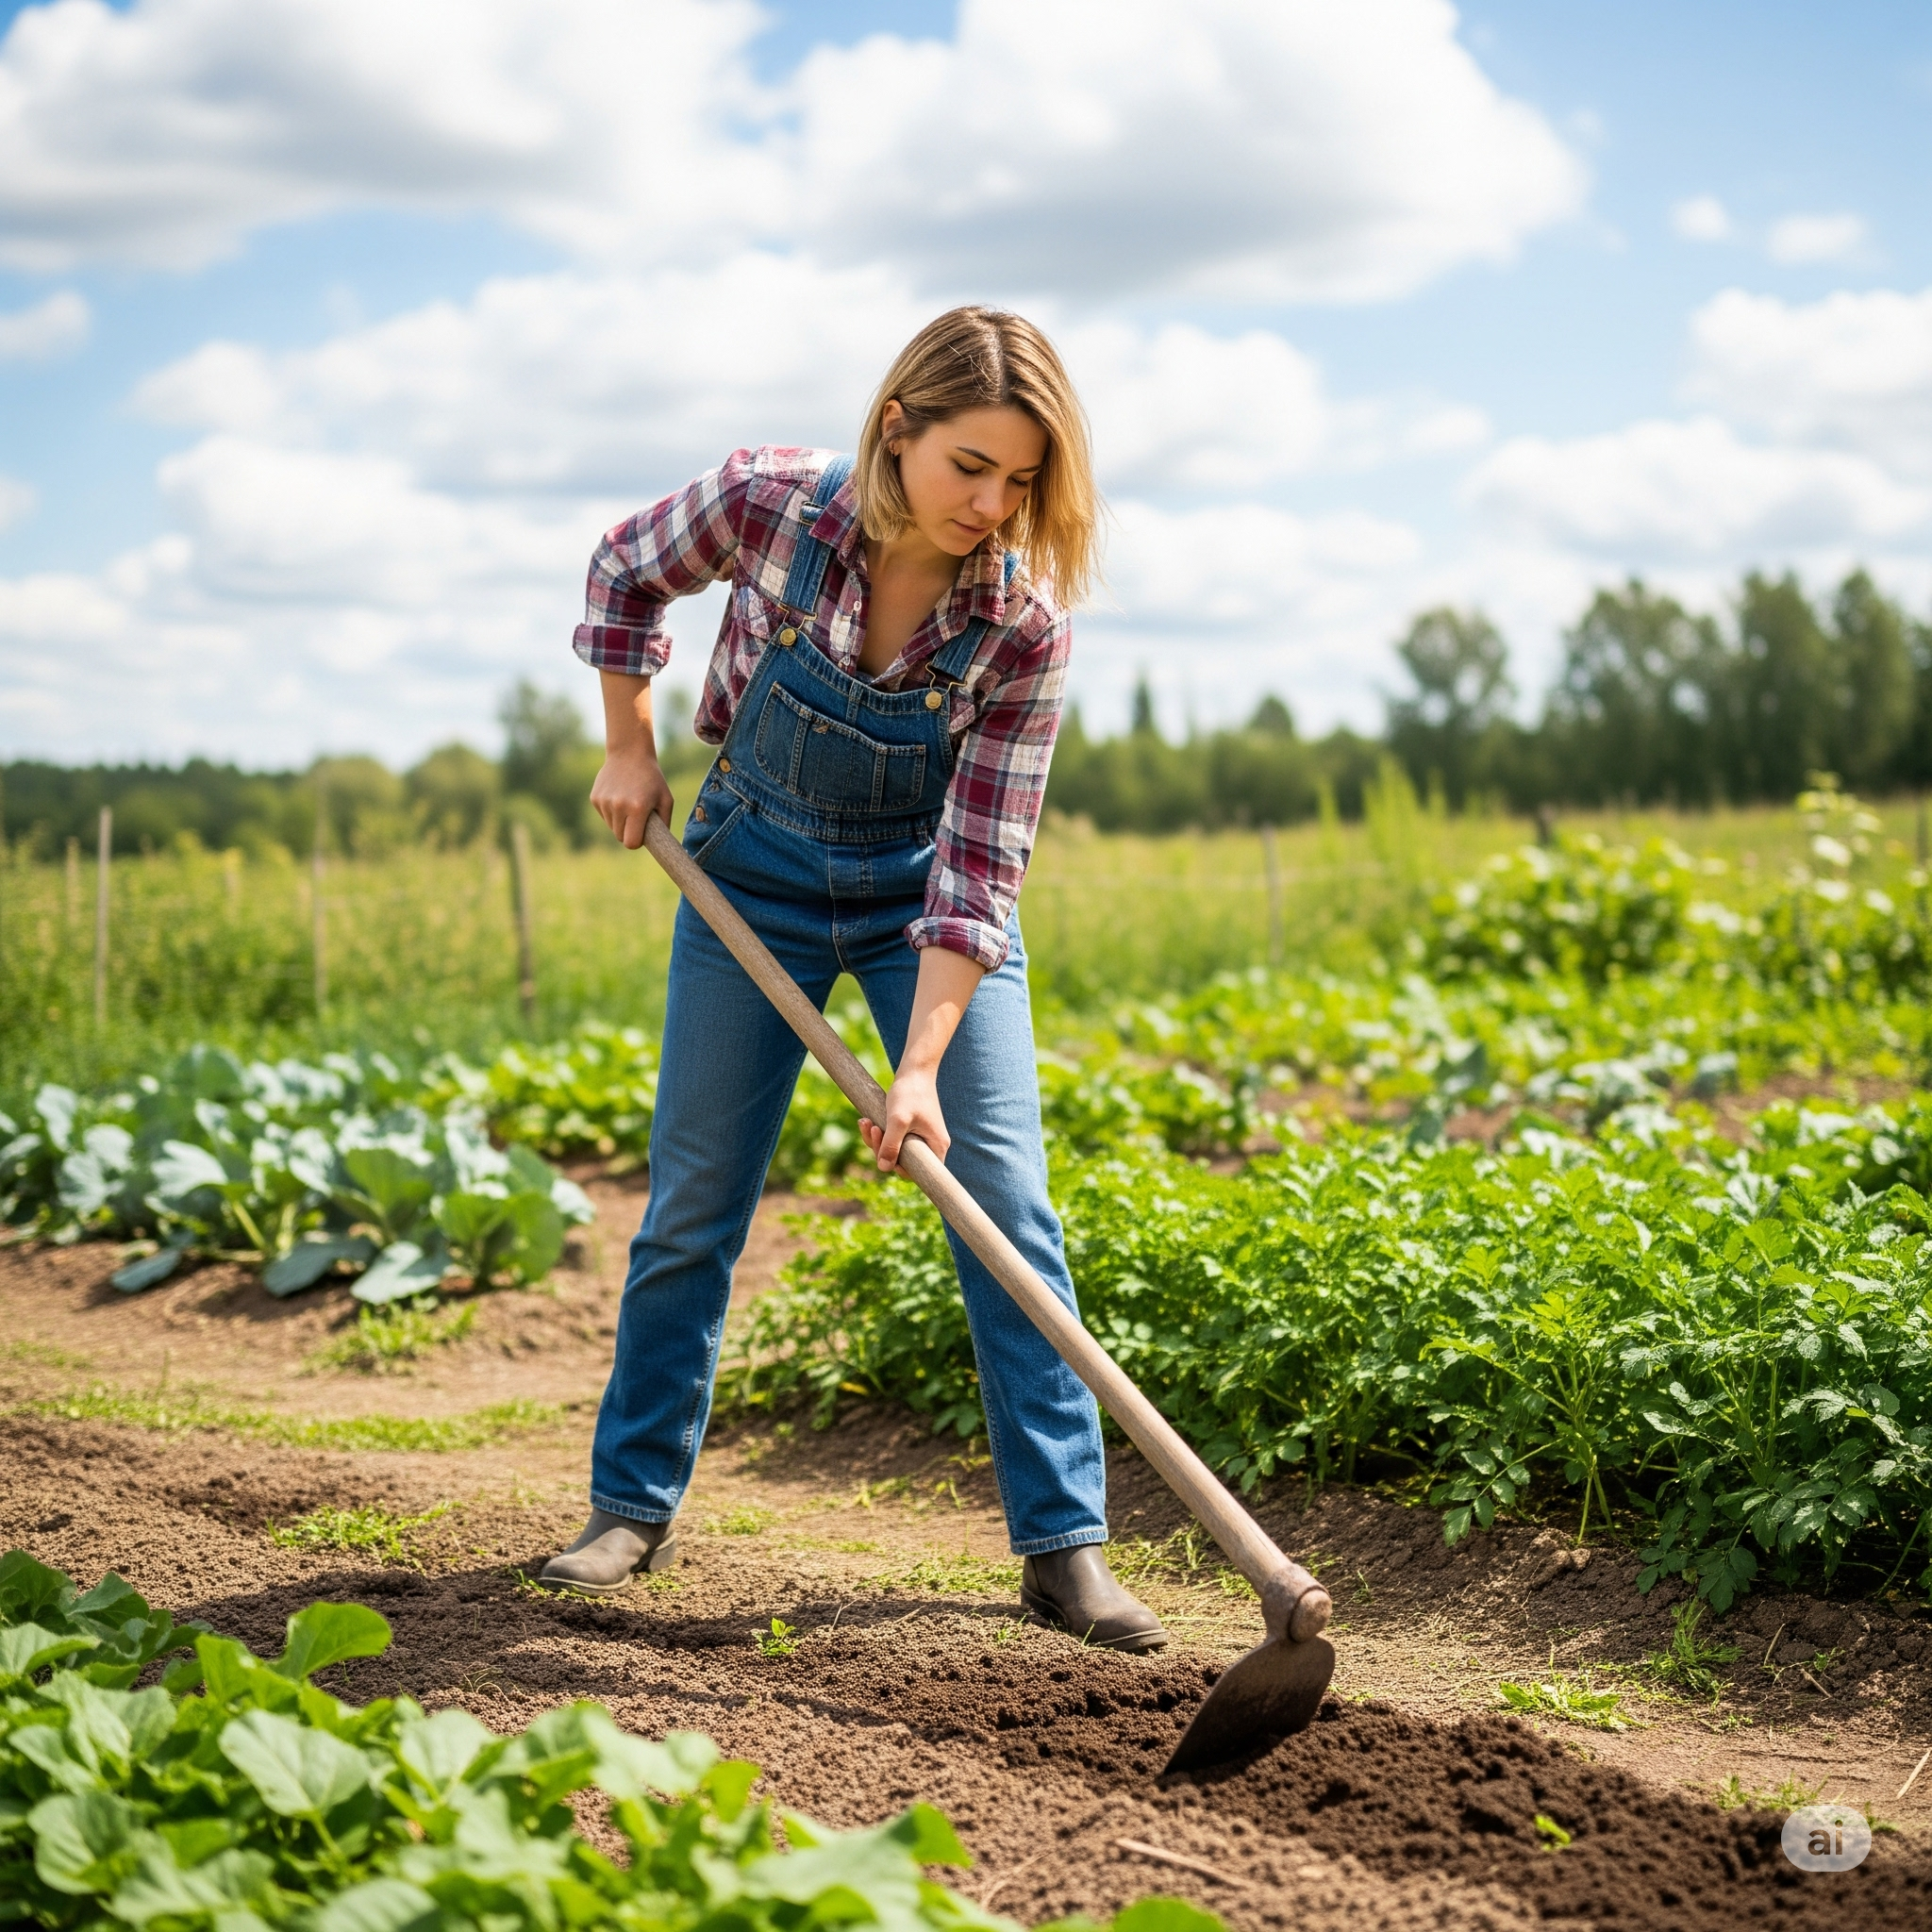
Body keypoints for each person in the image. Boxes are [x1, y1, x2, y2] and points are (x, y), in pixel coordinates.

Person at [541, 307, 1164, 1651]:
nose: (994, 507)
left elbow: (983, 869)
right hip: (743, 878)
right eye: (970, 469)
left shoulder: (1023, 628)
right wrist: (629, 745)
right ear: (899, 430)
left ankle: (1065, 1549)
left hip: (916, 906)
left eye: (1023, 482)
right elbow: (621, 569)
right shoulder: (770, 503)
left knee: (1004, 1198)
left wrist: (922, 1068)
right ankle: (629, 1508)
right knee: (696, 1199)